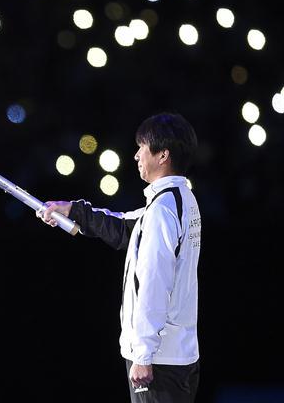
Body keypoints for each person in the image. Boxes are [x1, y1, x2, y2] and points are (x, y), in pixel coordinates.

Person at [40, 112, 202, 403]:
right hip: (172, 355)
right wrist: (73, 211)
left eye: (143, 147)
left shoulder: (164, 208)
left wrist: (143, 352)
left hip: (158, 359)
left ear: (163, 154)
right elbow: (125, 227)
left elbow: (154, 281)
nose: (137, 154)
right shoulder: (178, 199)